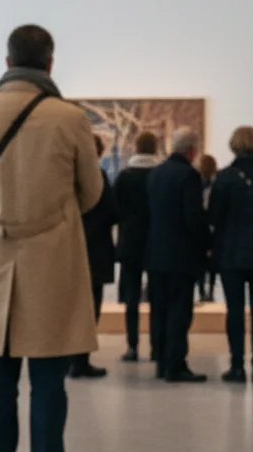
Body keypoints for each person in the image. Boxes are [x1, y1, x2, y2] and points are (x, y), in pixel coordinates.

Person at [0, 24, 103, 452]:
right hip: (52, 260)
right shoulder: (70, 117)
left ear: (6, 62)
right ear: (50, 63)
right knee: (49, 381)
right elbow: (91, 192)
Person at [209, 126, 253, 384]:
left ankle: (236, 365)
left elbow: (214, 216)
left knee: (235, 310)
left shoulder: (225, 178)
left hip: (231, 253)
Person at [146, 127, 210, 383]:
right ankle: (176, 364)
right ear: (192, 150)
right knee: (179, 311)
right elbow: (193, 217)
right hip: (181, 255)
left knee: (159, 310)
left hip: (155, 253)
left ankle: (161, 361)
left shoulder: (156, 174)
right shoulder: (188, 176)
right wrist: (207, 241)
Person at [70, 135, 119, 379]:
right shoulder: (98, 178)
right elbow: (111, 212)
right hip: (95, 249)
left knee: (70, 308)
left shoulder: (65, 178)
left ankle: (70, 359)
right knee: (90, 309)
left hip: (68, 249)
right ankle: (81, 360)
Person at [113, 131, 159, 362]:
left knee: (131, 298)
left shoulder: (125, 176)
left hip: (130, 241)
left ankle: (132, 345)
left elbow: (115, 209)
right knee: (158, 297)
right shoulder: (159, 175)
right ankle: (156, 346)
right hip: (155, 241)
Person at [196, 153, 219, 303]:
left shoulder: (197, 183)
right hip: (213, 225)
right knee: (211, 264)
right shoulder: (217, 183)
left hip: (201, 225)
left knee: (200, 261)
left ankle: (202, 290)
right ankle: (209, 290)